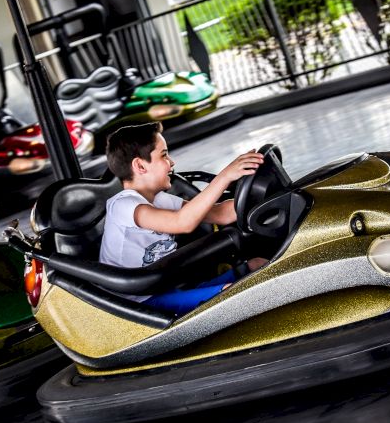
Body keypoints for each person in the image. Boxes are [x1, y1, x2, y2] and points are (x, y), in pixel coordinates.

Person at [99, 122, 267, 316]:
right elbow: (182, 223)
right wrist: (225, 176)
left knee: (257, 264)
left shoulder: (161, 199)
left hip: (166, 288)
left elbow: (221, 213)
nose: (171, 162)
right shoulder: (123, 205)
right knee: (237, 295)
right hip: (139, 306)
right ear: (140, 165)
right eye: (163, 155)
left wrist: (261, 192)